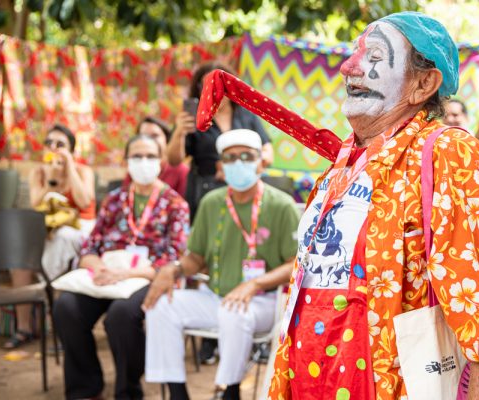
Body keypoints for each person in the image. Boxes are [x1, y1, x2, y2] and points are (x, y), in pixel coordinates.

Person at [267, 12, 479, 399]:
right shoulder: (345, 163)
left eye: (374, 56)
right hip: (312, 378)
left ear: (423, 84)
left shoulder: (450, 155)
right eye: (355, 53)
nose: (348, 67)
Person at [143, 129, 299, 400]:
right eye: (230, 158)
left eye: (246, 156)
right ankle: (178, 394)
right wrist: (173, 269)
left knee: (233, 312)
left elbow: (295, 265)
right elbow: (196, 258)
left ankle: (230, 391)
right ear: (220, 167)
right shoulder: (211, 203)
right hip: (215, 296)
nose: (238, 163)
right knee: (161, 306)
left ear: (261, 163)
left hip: (263, 301)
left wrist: (255, 284)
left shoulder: (282, 205)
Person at [53, 135, 189, 400]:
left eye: (150, 156)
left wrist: (126, 274)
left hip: (147, 277)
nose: (143, 161)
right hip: (106, 274)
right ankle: (85, 388)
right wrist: (98, 268)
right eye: (136, 156)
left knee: (121, 315)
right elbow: (90, 246)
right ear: (126, 161)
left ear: (161, 161)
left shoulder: (175, 204)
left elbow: (174, 258)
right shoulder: (114, 200)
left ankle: (128, 390)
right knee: (66, 307)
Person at [8, 124, 97, 349]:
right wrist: (51, 181)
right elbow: (36, 204)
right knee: (20, 261)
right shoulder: (38, 172)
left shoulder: (83, 171)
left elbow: (84, 201)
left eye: (60, 144)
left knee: (62, 239)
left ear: (71, 150)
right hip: (47, 230)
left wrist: (69, 168)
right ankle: (24, 328)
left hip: (79, 231)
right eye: (49, 143)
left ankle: (60, 329)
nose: (54, 148)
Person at [167, 63, 275, 220]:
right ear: (199, 89)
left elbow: (267, 151)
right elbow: (173, 160)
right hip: (206, 191)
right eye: (207, 86)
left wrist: (242, 165)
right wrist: (179, 132)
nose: (214, 91)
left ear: (231, 86)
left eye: (219, 85)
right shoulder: (194, 118)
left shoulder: (246, 114)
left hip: (246, 189)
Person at [124, 117, 190, 196]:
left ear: (167, 139)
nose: (149, 140)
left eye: (155, 135)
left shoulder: (181, 171)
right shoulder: (136, 167)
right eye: (144, 135)